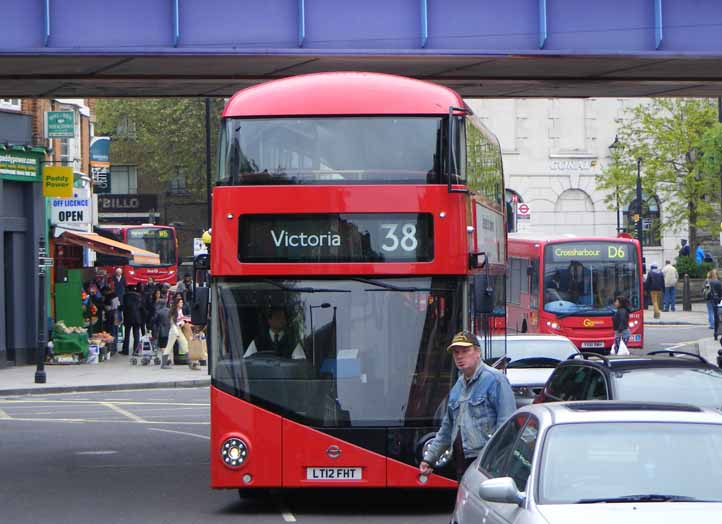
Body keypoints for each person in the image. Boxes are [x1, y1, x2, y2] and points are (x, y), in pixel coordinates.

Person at [419, 331, 516, 480]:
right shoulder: (458, 386)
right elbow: (447, 428)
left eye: (465, 351)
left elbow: (507, 425)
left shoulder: (496, 380)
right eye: (456, 352)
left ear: (478, 352)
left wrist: (493, 460)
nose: (460, 356)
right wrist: (429, 459)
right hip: (461, 464)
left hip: (485, 464)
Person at [160, 297, 191, 369]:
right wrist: (177, 330)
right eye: (180, 302)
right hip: (174, 330)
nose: (182, 303)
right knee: (169, 347)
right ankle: (163, 364)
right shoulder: (174, 311)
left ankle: (190, 363)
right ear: (177, 304)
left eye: (182, 302)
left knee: (185, 344)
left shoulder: (180, 310)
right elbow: (173, 323)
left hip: (178, 330)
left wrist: (183, 322)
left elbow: (181, 319)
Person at [121, 285, 143, 355]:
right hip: (137, 317)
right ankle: (136, 351)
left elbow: (124, 306)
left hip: (128, 317)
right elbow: (141, 307)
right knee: (136, 334)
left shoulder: (125, 296)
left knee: (127, 334)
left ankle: (125, 350)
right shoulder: (139, 296)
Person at [703, 269, 722, 336]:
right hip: (717, 299)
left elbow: (704, 290)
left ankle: (712, 325)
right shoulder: (719, 282)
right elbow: (720, 291)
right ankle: (715, 325)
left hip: (709, 298)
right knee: (715, 312)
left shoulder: (707, 281)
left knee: (710, 311)